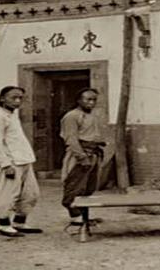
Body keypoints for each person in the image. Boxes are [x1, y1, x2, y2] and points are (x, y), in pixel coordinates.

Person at [0, 86, 42, 237]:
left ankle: (19, 222)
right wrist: (5, 165)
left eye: (20, 98)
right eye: (13, 97)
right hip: (10, 162)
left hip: (23, 160)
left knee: (31, 194)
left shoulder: (12, 115)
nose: (17, 101)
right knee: (8, 194)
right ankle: (4, 225)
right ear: (2, 99)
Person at [60, 88, 105, 223]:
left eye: (94, 100)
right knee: (75, 186)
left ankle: (84, 217)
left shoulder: (92, 116)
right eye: (88, 99)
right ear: (79, 100)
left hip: (93, 154)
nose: (91, 103)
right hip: (80, 155)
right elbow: (71, 139)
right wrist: (82, 157)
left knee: (89, 187)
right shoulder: (72, 116)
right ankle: (75, 217)